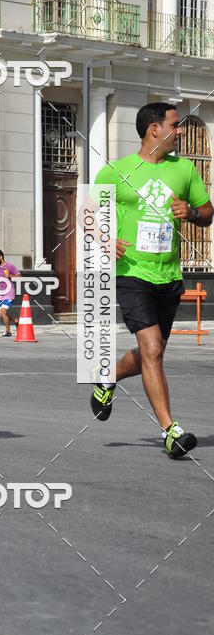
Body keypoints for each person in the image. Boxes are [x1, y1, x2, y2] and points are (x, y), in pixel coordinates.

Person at [91, 102, 213, 458]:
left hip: (169, 275)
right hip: (132, 273)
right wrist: (104, 239)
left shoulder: (184, 169)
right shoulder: (116, 171)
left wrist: (190, 212)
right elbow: (90, 215)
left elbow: (208, 212)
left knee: (152, 350)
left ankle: (107, 378)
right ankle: (170, 430)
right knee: (153, 348)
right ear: (154, 130)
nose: (181, 131)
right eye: (175, 125)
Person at [0, 250, 21, 336]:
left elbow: (19, 276)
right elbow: (0, 278)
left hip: (9, 292)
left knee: (4, 312)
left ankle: (8, 331)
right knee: (1, 315)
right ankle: (16, 321)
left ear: (1, 257)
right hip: (1, 293)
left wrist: (10, 276)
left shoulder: (10, 266)